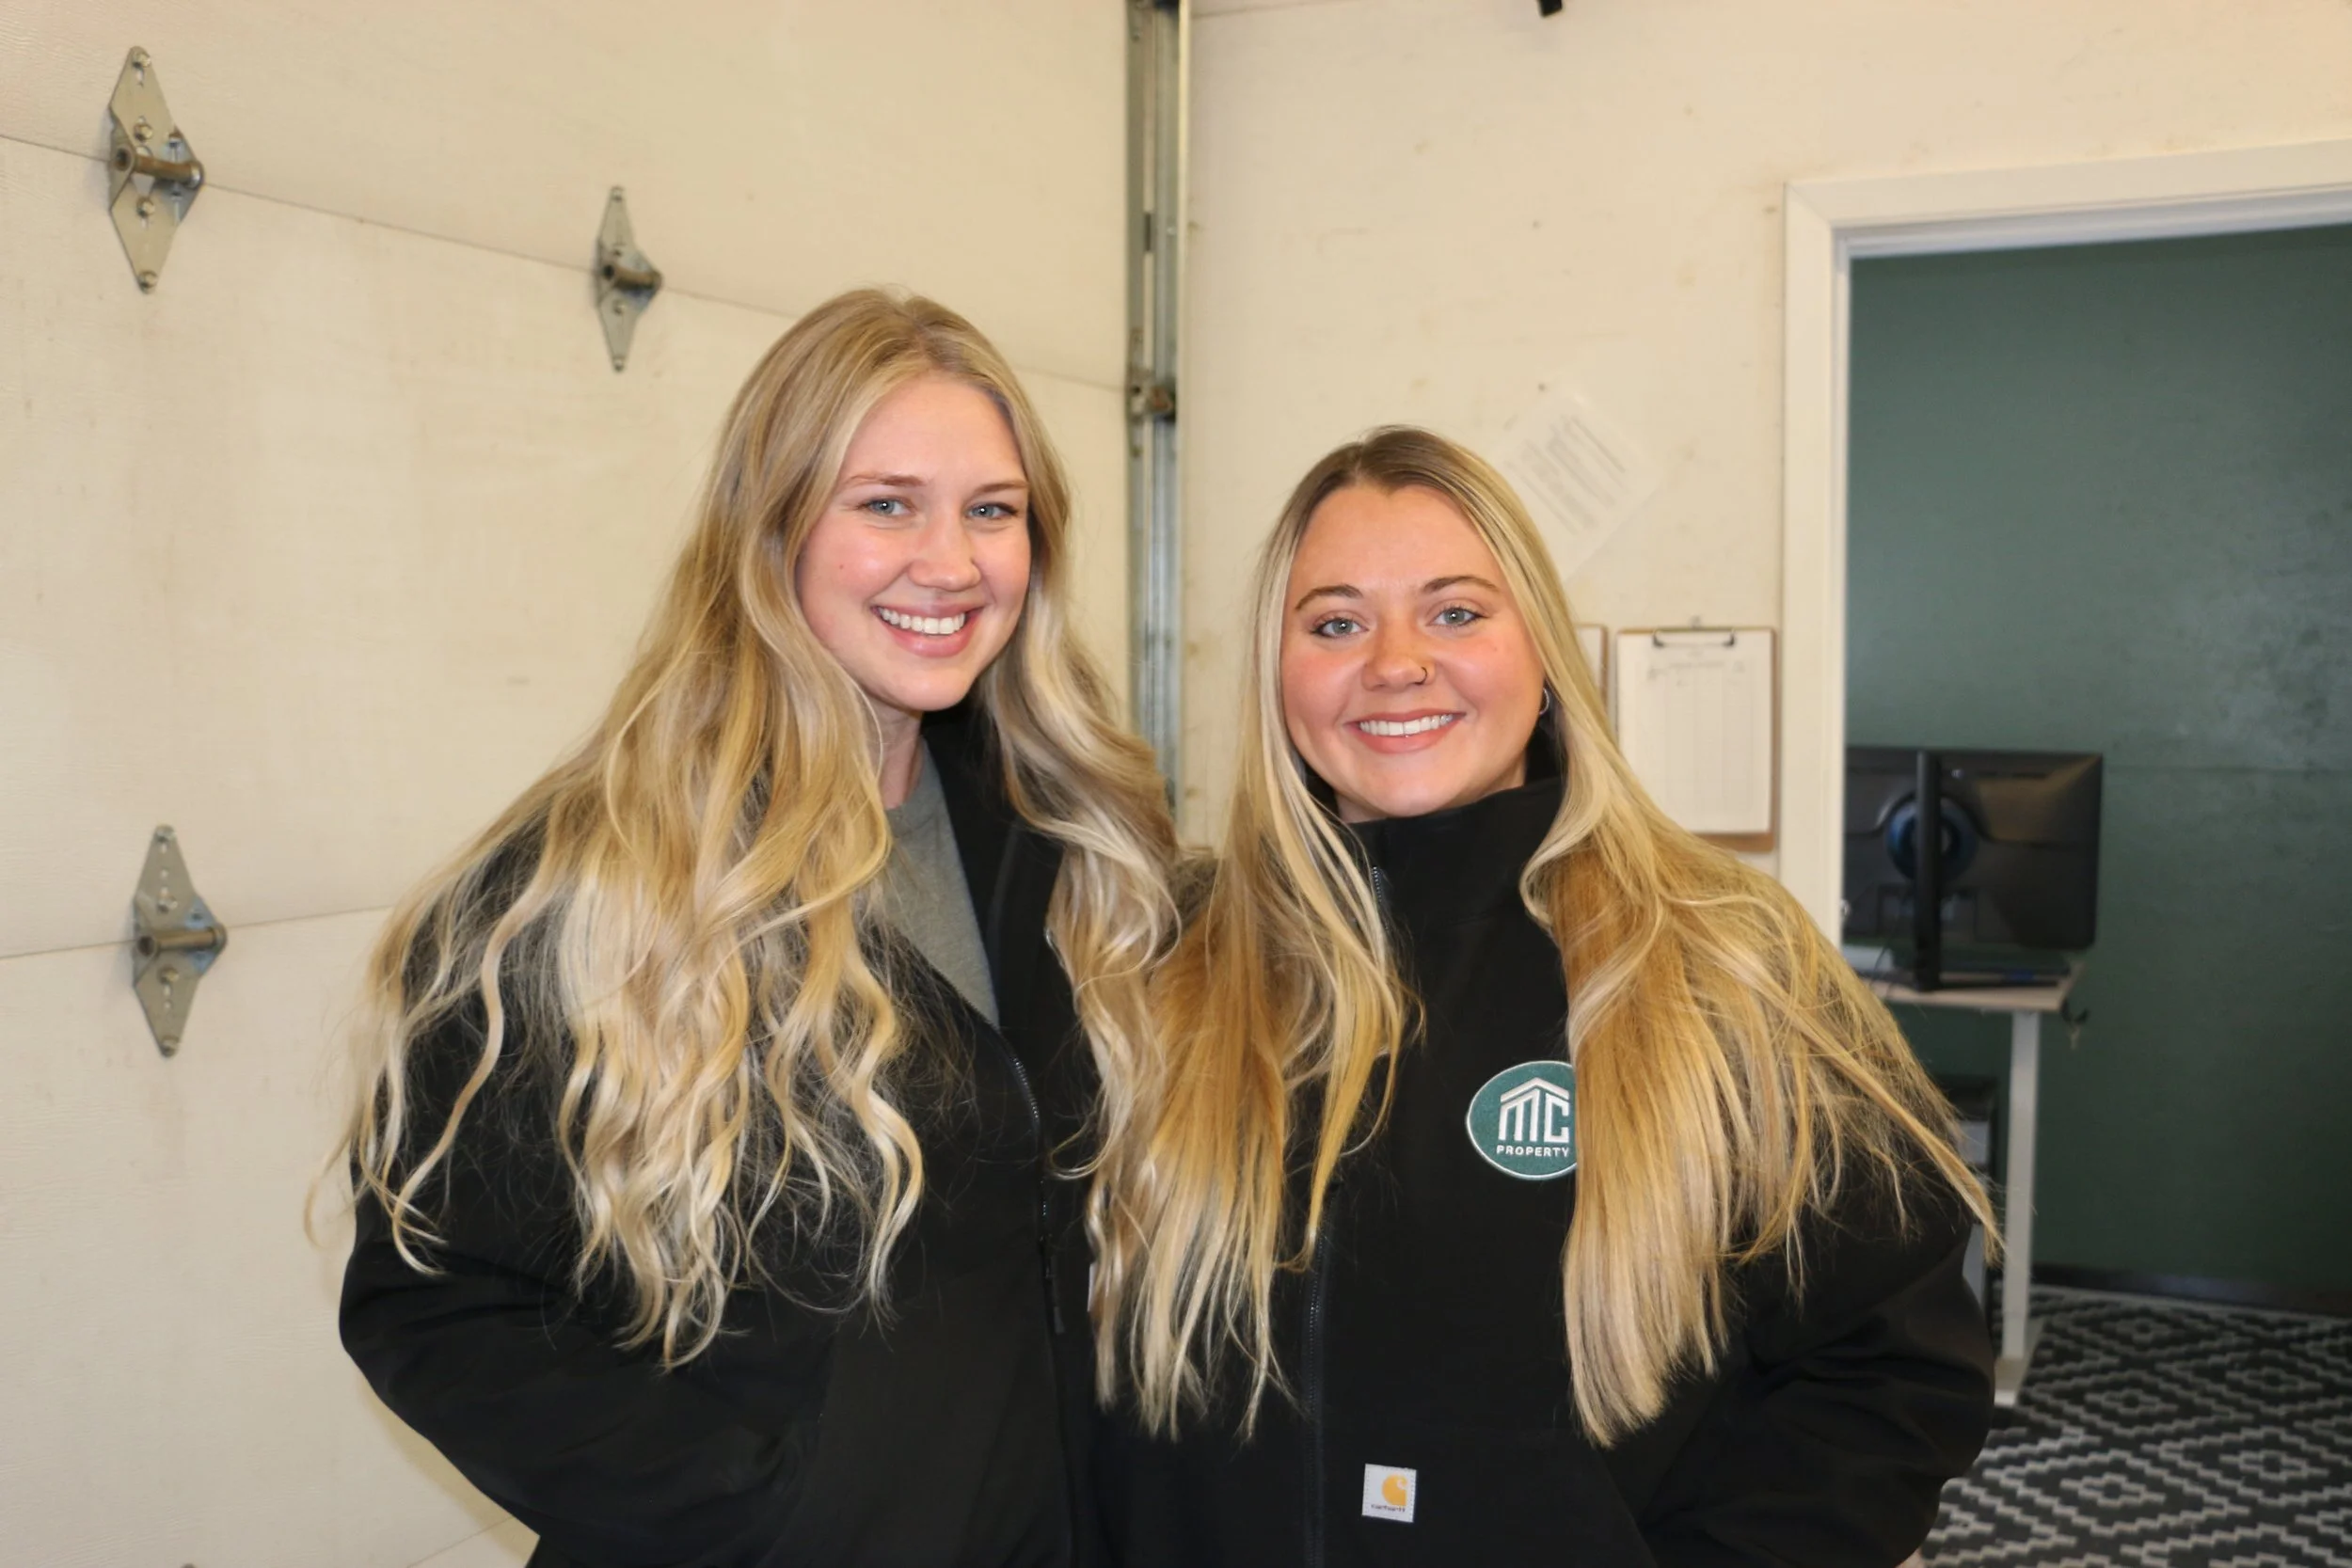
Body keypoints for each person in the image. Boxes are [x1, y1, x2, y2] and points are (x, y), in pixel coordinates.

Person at [336, 290, 1175, 1568]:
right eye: (885, 501)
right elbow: (441, 1306)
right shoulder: (588, 886)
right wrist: (768, 1507)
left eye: (991, 510)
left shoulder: (1072, 846)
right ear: (771, 524)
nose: (949, 561)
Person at [1089, 427, 1996, 1567]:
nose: (1395, 660)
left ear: (1545, 653)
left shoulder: (1723, 959)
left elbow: (1890, 1360)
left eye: (1456, 611)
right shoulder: (1165, 968)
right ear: (1277, 677)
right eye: (1334, 622)